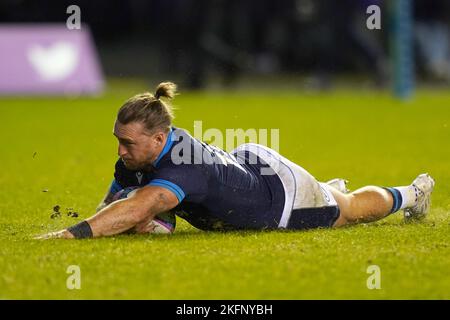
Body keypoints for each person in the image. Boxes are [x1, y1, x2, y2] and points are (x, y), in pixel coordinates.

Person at [35, 82, 435, 239]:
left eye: (127, 143)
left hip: (279, 195)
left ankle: (411, 193)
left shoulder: (180, 164)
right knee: (149, 213)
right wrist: (106, 215)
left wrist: (70, 236)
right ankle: (328, 189)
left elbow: (138, 205)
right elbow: (118, 202)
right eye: (117, 141)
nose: (120, 151)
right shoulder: (140, 156)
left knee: (349, 211)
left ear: (159, 138)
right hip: (245, 164)